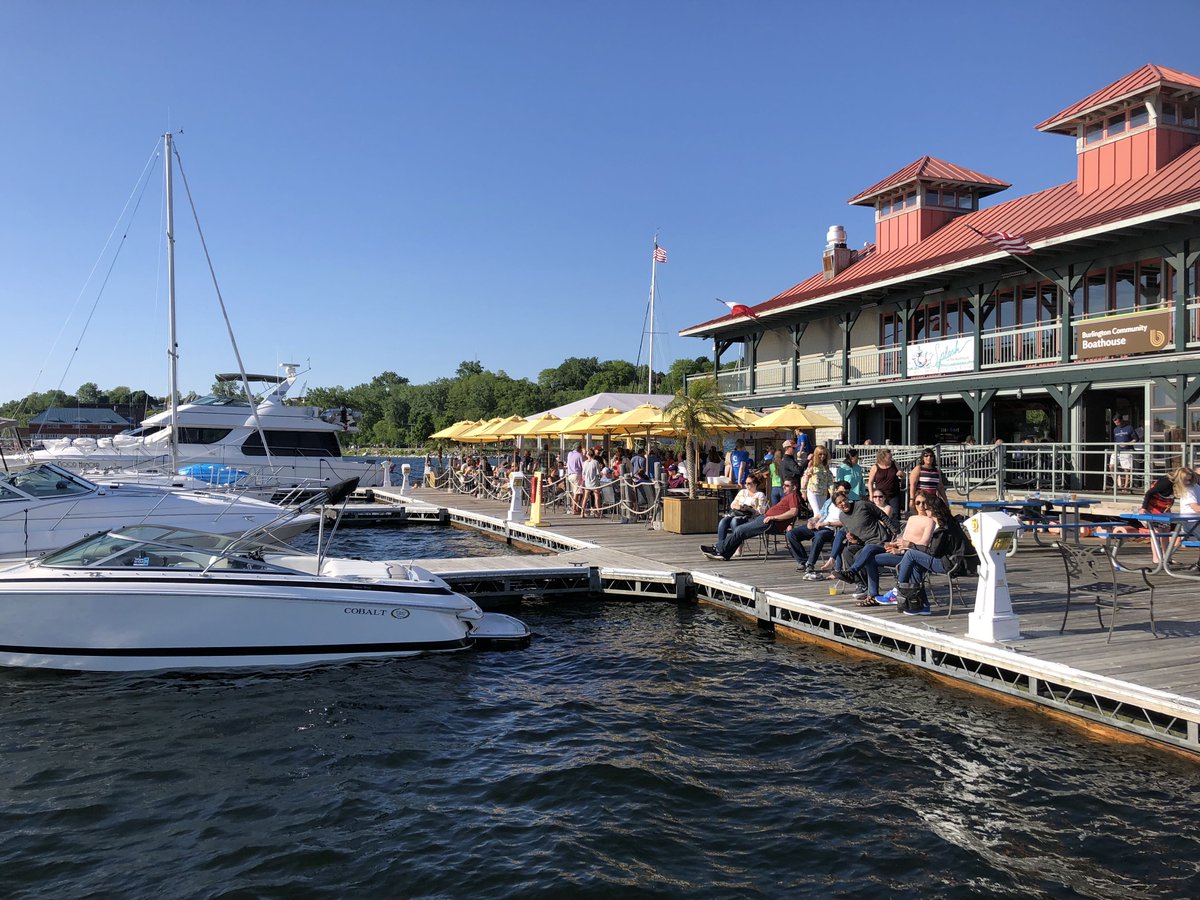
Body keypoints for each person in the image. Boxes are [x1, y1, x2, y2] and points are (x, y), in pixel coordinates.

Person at [892, 495, 973, 616]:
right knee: (916, 565)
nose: (926, 511)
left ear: (934, 510)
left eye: (928, 508)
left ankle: (899, 588)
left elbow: (933, 552)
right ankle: (922, 605)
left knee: (910, 555)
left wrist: (911, 545)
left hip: (950, 564)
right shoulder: (950, 522)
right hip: (955, 561)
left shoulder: (942, 528)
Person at [701, 477, 801, 561]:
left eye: (787, 485)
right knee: (740, 531)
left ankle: (717, 548)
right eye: (783, 485)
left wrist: (773, 517)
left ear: (794, 487)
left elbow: (793, 512)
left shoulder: (793, 496)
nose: (784, 487)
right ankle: (724, 554)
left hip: (769, 521)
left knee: (740, 530)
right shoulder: (789, 496)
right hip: (766, 519)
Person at [832, 492, 899, 605]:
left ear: (847, 498)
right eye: (839, 503)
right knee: (847, 551)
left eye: (844, 500)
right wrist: (853, 539)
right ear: (836, 506)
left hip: (880, 542)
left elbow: (881, 515)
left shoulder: (862, 505)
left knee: (862, 553)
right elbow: (854, 537)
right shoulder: (842, 517)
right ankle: (862, 585)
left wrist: (895, 532)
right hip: (864, 544)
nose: (843, 503)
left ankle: (852, 572)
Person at [788, 481, 850, 577]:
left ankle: (810, 563)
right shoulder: (829, 501)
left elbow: (846, 522)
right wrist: (812, 521)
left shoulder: (848, 505)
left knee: (819, 536)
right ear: (836, 490)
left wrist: (827, 523)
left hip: (831, 529)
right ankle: (803, 561)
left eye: (846, 493)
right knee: (791, 534)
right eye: (841, 492)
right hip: (818, 525)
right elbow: (820, 514)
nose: (844, 495)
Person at [713, 473, 768, 556]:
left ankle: (738, 547)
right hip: (737, 513)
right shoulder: (742, 492)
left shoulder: (760, 495)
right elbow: (732, 504)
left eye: (749, 483)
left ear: (755, 484)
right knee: (723, 522)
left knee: (734, 522)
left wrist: (749, 509)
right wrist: (739, 507)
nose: (746, 485)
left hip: (750, 517)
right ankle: (721, 547)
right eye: (745, 483)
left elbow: (761, 511)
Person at [866, 447, 902, 521]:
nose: (891, 459)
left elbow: (902, 474)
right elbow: (870, 482)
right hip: (880, 495)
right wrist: (871, 494)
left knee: (895, 515)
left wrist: (901, 474)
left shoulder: (894, 464)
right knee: (880, 514)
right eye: (889, 457)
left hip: (893, 494)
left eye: (891, 457)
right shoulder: (875, 467)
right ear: (883, 458)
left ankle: (895, 531)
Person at [907, 447, 947, 512]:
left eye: (931, 456)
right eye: (926, 456)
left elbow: (940, 486)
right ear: (923, 457)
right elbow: (913, 485)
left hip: (933, 499)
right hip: (921, 499)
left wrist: (945, 500)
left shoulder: (937, 470)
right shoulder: (918, 468)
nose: (929, 458)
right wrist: (912, 499)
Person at [800, 446, 834, 516]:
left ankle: (819, 526)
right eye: (820, 454)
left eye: (824, 454)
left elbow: (830, 481)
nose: (822, 456)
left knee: (822, 512)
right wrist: (803, 491)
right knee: (817, 512)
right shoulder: (812, 466)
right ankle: (816, 526)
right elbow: (805, 479)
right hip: (813, 491)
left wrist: (832, 492)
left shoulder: (826, 467)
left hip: (823, 492)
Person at [1111, 415, 1135, 492]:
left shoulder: (1129, 428)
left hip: (1126, 450)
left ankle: (1125, 487)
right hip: (1117, 450)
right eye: (1115, 423)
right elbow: (1115, 440)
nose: (1117, 424)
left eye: (1118, 423)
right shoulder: (1115, 430)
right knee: (1111, 466)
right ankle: (1117, 484)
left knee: (1126, 469)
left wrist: (1127, 444)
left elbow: (1136, 439)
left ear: (1121, 421)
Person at [579, 448, 603, 517]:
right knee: (597, 497)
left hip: (587, 482)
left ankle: (582, 512)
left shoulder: (585, 463)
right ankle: (598, 512)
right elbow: (598, 473)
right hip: (594, 482)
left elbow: (583, 473)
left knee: (585, 497)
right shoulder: (595, 462)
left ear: (588, 454)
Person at [566, 442, 585, 514]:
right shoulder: (580, 455)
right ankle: (574, 509)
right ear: (579, 448)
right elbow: (583, 466)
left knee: (576, 492)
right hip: (577, 474)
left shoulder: (569, 454)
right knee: (577, 492)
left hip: (570, 475)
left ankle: (576, 507)